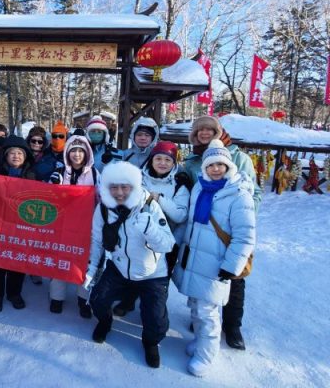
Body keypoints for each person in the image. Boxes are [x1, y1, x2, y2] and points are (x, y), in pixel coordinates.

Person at [172, 140, 255, 377]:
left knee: (207, 312)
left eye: (220, 164)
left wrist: (232, 266)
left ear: (229, 165)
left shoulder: (239, 194)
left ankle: (206, 356)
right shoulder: (200, 187)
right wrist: (175, 246)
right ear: (205, 167)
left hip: (216, 264)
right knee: (196, 307)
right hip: (194, 259)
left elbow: (245, 235)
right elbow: (190, 223)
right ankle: (200, 343)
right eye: (211, 164)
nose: (216, 169)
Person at [182, 115, 261, 350]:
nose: (204, 133)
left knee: (234, 278)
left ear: (218, 131)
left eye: (209, 129)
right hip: (203, 229)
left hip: (228, 228)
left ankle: (232, 325)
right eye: (199, 131)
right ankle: (202, 319)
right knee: (203, 274)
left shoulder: (238, 157)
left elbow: (254, 193)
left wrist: (239, 218)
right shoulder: (192, 161)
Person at [86, 161, 175, 368]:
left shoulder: (148, 205)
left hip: (152, 273)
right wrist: (92, 270)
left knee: (156, 319)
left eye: (125, 187)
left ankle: (150, 342)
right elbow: (97, 240)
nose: (119, 193)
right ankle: (105, 322)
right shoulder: (104, 209)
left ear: (134, 186)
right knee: (97, 300)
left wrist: (150, 228)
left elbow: (168, 244)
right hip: (119, 267)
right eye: (114, 187)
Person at [112, 140, 192, 317]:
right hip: (136, 236)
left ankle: (152, 311)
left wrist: (159, 199)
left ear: (174, 162)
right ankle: (128, 301)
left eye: (168, 160)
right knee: (132, 269)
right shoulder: (138, 177)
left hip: (165, 239)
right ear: (151, 159)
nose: (162, 163)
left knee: (158, 280)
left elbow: (180, 215)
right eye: (158, 159)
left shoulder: (179, 183)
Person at [48, 133, 99, 318]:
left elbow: (101, 198)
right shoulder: (60, 172)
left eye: (81, 151)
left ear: (87, 153)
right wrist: (53, 185)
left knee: (84, 262)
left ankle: (83, 298)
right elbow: (48, 196)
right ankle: (56, 297)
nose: (77, 154)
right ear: (67, 153)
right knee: (60, 259)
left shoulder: (95, 174)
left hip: (87, 225)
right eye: (73, 151)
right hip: (62, 225)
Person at [0, 135, 35, 311]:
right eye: (12, 153)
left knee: (18, 260)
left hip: (21, 225)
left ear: (25, 156)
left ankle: (14, 293)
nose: (16, 156)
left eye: (20, 153)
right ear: (5, 155)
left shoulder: (31, 175)